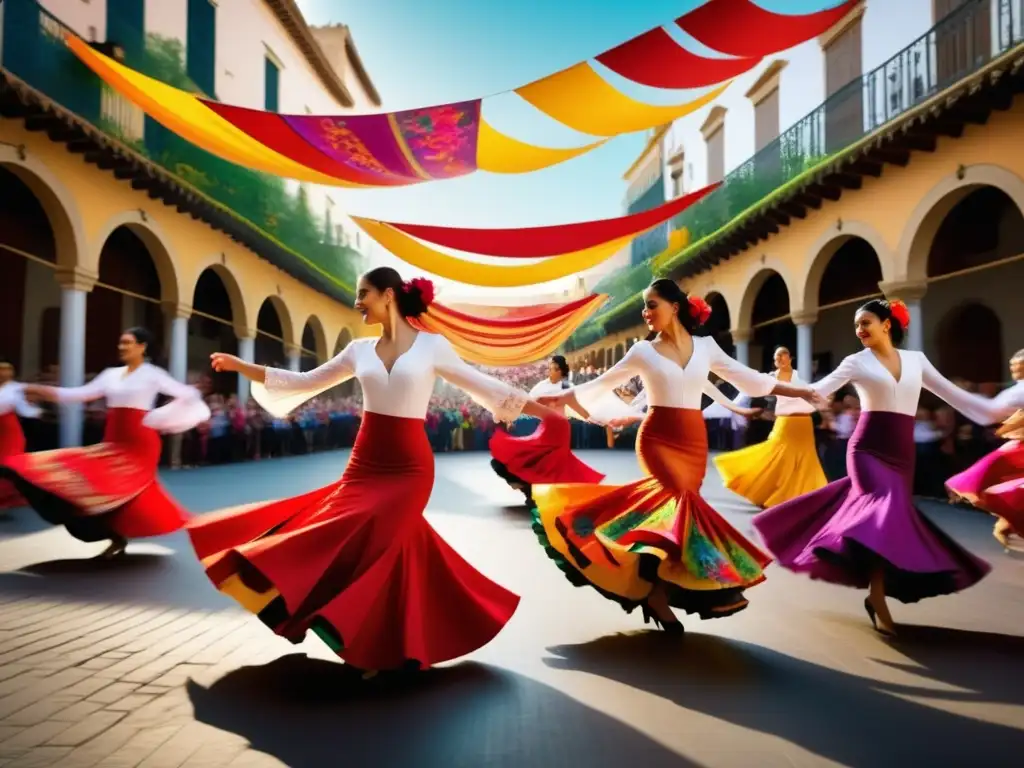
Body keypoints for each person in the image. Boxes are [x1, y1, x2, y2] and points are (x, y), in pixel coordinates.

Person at [186, 268, 552, 679]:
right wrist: (242, 366)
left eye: (364, 293)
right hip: (366, 463)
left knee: (377, 535)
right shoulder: (358, 351)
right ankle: (374, 638)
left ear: (388, 295)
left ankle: (372, 645)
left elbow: (481, 385)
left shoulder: (434, 347)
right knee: (357, 537)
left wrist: (547, 408)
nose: (358, 301)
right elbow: (303, 382)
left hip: (411, 469)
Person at [533, 280, 823, 633]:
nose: (645, 312)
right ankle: (660, 593)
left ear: (675, 306)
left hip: (693, 442)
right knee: (681, 505)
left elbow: (746, 379)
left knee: (674, 516)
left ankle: (657, 590)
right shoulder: (643, 351)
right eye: (644, 306)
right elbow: (603, 383)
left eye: (652, 304)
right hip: (657, 438)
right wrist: (561, 398)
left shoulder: (706, 346)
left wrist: (801, 389)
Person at [752, 300, 1018, 637]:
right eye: (856, 325)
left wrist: (999, 412)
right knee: (884, 511)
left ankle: (876, 593)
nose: (860, 330)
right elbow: (818, 393)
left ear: (887, 324)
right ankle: (878, 599)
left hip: (902, 454)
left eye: (865, 322)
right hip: (867, 449)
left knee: (890, 520)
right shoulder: (855, 362)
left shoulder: (916, 361)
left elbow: (961, 399)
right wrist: (766, 385)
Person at [1, 328, 209, 559]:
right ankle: (113, 535)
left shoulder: (153, 374)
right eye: (120, 343)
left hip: (140, 443)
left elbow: (187, 395)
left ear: (142, 347)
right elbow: (80, 394)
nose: (122, 347)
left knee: (112, 490)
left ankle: (117, 535)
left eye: (127, 343)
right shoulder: (111, 374)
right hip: (113, 441)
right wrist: (44, 391)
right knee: (86, 482)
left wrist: (158, 417)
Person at [713, 346, 828, 507]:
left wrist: (823, 411)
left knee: (804, 458)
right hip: (785, 422)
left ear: (790, 358)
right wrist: (753, 411)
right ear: (774, 362)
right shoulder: (770, 378)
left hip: (804, 424)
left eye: (783, 355)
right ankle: (768, 491)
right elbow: (746, 394)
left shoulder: (798, 377)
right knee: (778, 456)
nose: (780, 359)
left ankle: (803, 496)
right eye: (777, 357)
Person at [489, 355, 604, 507]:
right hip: (546, 427)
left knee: (554, 465)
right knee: (531, 459)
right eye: (550, 368)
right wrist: (511, 417)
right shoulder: (541, 386)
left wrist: (598, 420)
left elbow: (578, 408)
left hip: (561, 428)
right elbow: (527, 404)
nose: (552, 371)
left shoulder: (567, 387)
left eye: (556, 369)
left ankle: (535, 493)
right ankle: (528, 489)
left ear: (562, 371)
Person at [945, 349, 1024, 546]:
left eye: (1019, 366)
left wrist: (944, 388)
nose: (1014, 369)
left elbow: (989, 413)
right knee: (990, 474)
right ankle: (1008, 522)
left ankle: (1008, 523)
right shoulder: (1014, 390)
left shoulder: (1017, 391)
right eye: (1012, 366)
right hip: (1018, 445)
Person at [0, 360, 40, 510]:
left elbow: (24, 409)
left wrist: (38, 411)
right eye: (1, 370)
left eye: (7, 370)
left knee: (8, 463)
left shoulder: (15, 389)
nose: (4, 373)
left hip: (9, 431)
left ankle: (4, 502)